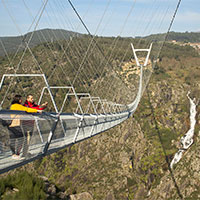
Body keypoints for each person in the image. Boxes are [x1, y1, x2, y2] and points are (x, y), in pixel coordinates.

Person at [8, 95, 42, 160]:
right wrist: (37, 111)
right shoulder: (18, 106)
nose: (21, 100)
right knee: (20, 139)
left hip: (11, 125)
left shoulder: (12, 106)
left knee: (13, 139)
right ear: (18, 100)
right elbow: (27, 109)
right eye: (20, 99)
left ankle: (14, 154)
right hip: (16, 124)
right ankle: (16, 154)